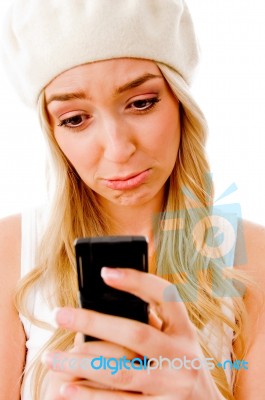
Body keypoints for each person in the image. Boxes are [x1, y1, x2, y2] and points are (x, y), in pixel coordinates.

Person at [0, 0, 264, 399]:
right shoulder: (10, 252)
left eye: (141, 103)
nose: (119, 149)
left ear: (180, 105)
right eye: (75, 119)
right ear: (54, 133)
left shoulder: (253, 257)